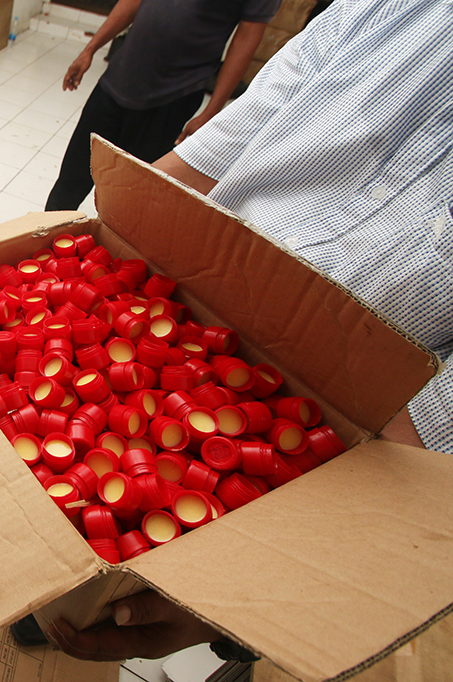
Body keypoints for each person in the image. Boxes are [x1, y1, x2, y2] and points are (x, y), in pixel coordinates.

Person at [32, 0, 453, 663]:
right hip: (180, 321)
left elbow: (428, 437)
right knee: (44, 539)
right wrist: (89, 250)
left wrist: (280, 566)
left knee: (143, 595)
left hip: (351, 445)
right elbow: (226, 142)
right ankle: (43, 598)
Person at [45, 0, 280, 212]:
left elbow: (247, 36)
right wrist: (89, 49)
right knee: (71, 179)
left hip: (172, 98)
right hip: (118, 80)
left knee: (131, 198)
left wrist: (212, 110)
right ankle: (41, 250)